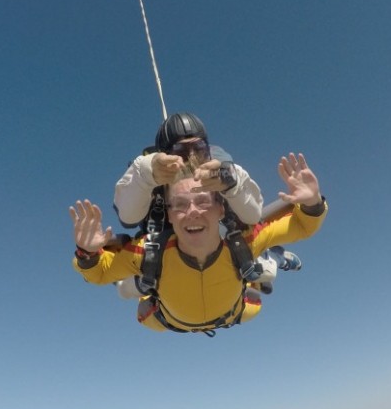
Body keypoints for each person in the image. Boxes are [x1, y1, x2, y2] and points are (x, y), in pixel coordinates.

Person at [70, 153, 327, 334]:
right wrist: (88, 252)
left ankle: (273, 258)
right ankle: (272, 260)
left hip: (222, 312)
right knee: (129, 291)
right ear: (169, 215)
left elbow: (302, 225)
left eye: (203, 201)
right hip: (204, 316)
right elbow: (99, 272)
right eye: (180, 204)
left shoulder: (244, 241)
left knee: (137, 300)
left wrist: (312, 202)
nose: (192, 211)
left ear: (220, 209)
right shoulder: (149, 251)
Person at [112, 111, 300, 295]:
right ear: (164, 153)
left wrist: (231, 184)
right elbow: (128, 216)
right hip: (165, 247)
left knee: (266, 271)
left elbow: (252, 214)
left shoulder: (222, 169)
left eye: (199, 148)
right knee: (127, 288)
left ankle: (273, 257)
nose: (191, 157)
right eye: (180, 151)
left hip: (215, 239)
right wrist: (147, 176)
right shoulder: (144, 170)